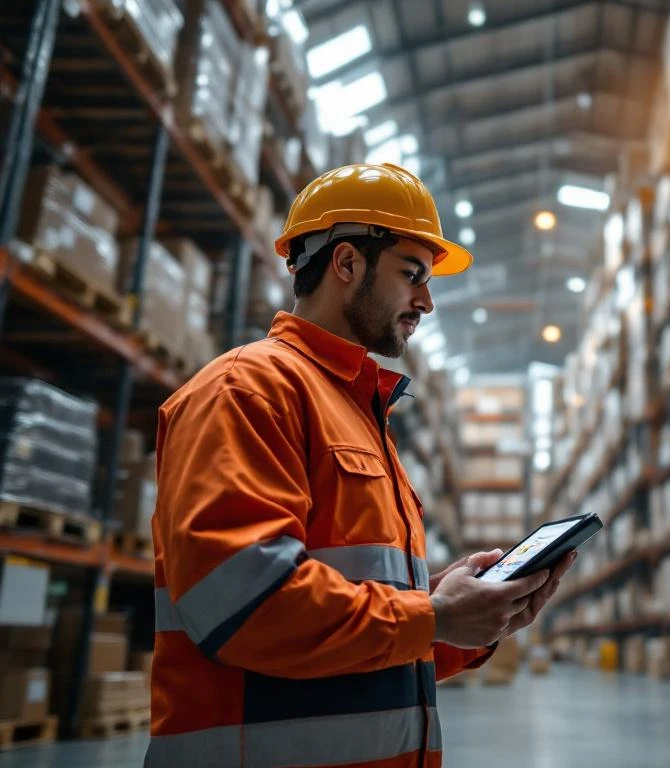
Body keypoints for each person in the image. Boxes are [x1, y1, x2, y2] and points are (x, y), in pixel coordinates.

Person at [146, 163, 575, 767]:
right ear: (347, 264)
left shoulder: (359, 413)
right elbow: (244, 604)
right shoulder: (247, 391)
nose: (426, 300)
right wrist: (437, 613)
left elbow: (368, 634)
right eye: (412, 274)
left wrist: (467, 623)